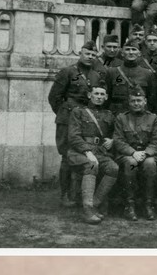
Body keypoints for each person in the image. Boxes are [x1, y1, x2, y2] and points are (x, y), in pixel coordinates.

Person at [47, 41, 107, 207]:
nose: (90, 57)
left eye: (93, 55)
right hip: (67, 119)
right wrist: (66, 113)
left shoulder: (96, 75)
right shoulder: (67, 71)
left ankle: (80, 193)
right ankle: (66, 194)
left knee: (83, 154)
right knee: (67, 156)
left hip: (87, 119)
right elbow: (54, 97)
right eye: (87, 53)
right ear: (80, 53)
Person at [66, 82, 119, 224]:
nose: (99, 97)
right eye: (96, 94)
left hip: (100, 152)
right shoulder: (78, 112)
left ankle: (94, 204)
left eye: (102, 94)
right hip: (79, 152)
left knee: (113, 168)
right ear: (90, 95)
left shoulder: (109, 115)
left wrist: (112, 140)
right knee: (91, 165)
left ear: (106, 97)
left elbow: (117, 133)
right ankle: (88, 209)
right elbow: (73, 136)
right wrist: (87, 151)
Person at [112, 86, 157, 221]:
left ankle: (149, 204)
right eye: (133, 101)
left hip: (147, 154)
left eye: (139, 100)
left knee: (150, 164)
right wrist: (133, 152)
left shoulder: (153, 118)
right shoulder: (121, 118)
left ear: (145, 101)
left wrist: (146, 153)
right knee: (131, 163)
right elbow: (118, 140)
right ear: (129, 102)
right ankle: (130, 205)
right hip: (127, 154)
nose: (136, 103)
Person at [104, 39, 156, 114]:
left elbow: (151, 98)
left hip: (139, 114)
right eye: (127, 50)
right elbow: (107, 97)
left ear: (139, 53)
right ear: (122, 53)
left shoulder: (147, 73)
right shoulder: (112, 72)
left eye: (134, 49)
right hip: (117, 114)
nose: (131, 52)